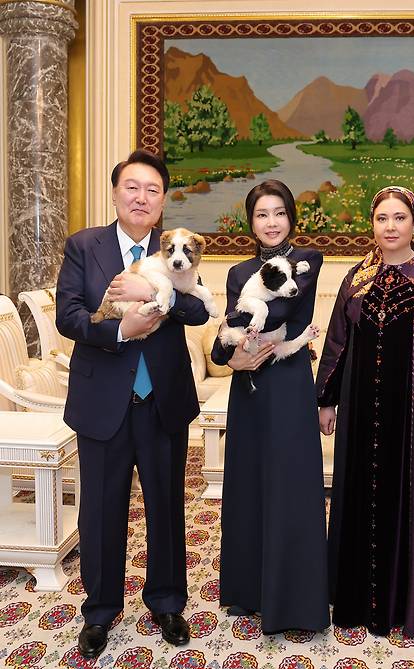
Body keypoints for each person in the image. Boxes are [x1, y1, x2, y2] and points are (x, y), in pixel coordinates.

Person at [56, 150, 209, 659]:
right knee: (100, 511)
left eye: (152, 190)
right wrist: (118, 330)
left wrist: (153, 289)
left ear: (163, 200)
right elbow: (69, 317)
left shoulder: (176, 251)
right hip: (103, 400)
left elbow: (194, 310)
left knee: (167, 505)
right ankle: (99, 612)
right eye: (132, 187)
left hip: (161, 399)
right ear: (116, 191)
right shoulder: (84, 246)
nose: (141, 197)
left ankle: (167, 602)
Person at [316, 186, 414, 638]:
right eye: (382, 218)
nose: (389, 226)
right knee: (361, 497)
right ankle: (357, 599)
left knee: (413, 502)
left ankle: (410, 602)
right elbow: (337, 342)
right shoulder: (356, 279)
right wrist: (326, 400)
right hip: (363, 415)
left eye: (399, 217)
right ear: (373, 224)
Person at [211, 179, 330, 634]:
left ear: (291, 218)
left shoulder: (307, 261)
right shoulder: (238, 271)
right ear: (251, 222)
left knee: (291, 486)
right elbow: (230, 330)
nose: (272, 222)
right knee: (249, 484)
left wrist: (238, 338)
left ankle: (295, 603)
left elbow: (286, 317)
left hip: (287, 384)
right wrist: (230, 355)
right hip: (249, 390)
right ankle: (248, 590)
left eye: (279, 212)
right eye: (262, 214)